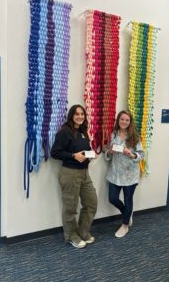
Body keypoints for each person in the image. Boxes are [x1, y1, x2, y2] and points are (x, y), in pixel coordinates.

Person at [51, 104, 97, 249]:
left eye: (82, 114)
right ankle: (71, 236)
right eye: (77, 114)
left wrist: (91, 154)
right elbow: (55, 153)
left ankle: (82, 232)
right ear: (71, 116)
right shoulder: (64, 132)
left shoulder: (83, 132)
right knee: (70, 208)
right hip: (70, 173)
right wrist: (72, 155)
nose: (80, 117)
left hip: (84, 173)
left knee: (91, 203)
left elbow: (86, 151)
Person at [105, 110, 144, 238]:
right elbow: (107, 154)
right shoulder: (113, 134)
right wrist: (110, 152)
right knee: (113, 198)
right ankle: (127, 213)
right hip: (115, 173)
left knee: (128, 200)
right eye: (122, 119)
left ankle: (125, 224)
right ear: (118, 120)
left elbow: (141, 155)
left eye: (127, 120)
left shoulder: (135, 136)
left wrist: (131, 154)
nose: (124, 122)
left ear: (130, 122)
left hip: (129, 174)